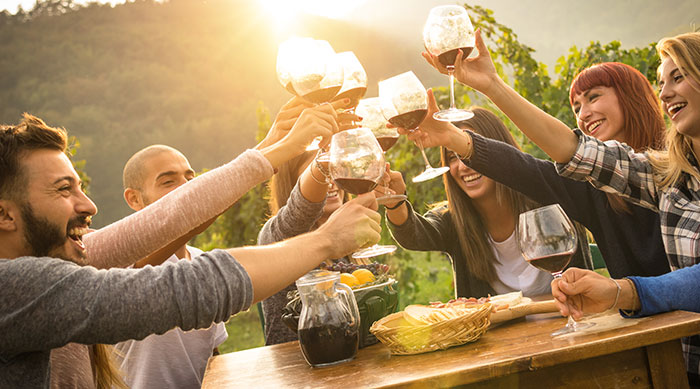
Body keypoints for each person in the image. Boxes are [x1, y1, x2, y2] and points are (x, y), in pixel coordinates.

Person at [0, 113, 381, 388]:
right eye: (63, 190)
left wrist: (272, 150)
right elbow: (191, 287)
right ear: (4, 213)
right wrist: (325, 241)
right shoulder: (14, 288)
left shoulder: (57, 257)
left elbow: (166, 220)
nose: (89, 206)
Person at [419, 29, 700, 386]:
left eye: (679, 77)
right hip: (673, 361)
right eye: (662, 82)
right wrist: (483, 98)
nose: (666, 92)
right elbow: (566, 153)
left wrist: (623, 292)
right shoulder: (666, 175)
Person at [402, 64, 670, 280]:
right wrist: (453, 138)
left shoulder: (676, 171)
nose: (583, 114)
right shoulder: (591, 188)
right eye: (576, 108)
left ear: (631, 96)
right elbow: (526, 170)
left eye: (593, 97)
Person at [383, 107, 591, 300]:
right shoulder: (454, 221)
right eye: (452, 157)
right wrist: (395, 202)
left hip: (570, 324)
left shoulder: (547, 204)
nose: (463, 166)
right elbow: (414, 235)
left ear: (496, 151)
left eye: (467, 153)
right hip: (501, 339)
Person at [113, 145, 227, 388]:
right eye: (168, 182)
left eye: (190, 177)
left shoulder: (202, 262)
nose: (187, 186)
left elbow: (212, 355)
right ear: (135, 199)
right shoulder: (120, 268)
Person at [258, 111, 358, 345]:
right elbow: (300, 210)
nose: (332, 178)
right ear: (295, 185)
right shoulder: (278, 234)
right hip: (298, 372)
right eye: (322, 170)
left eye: (337, 166)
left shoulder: (345, 237)